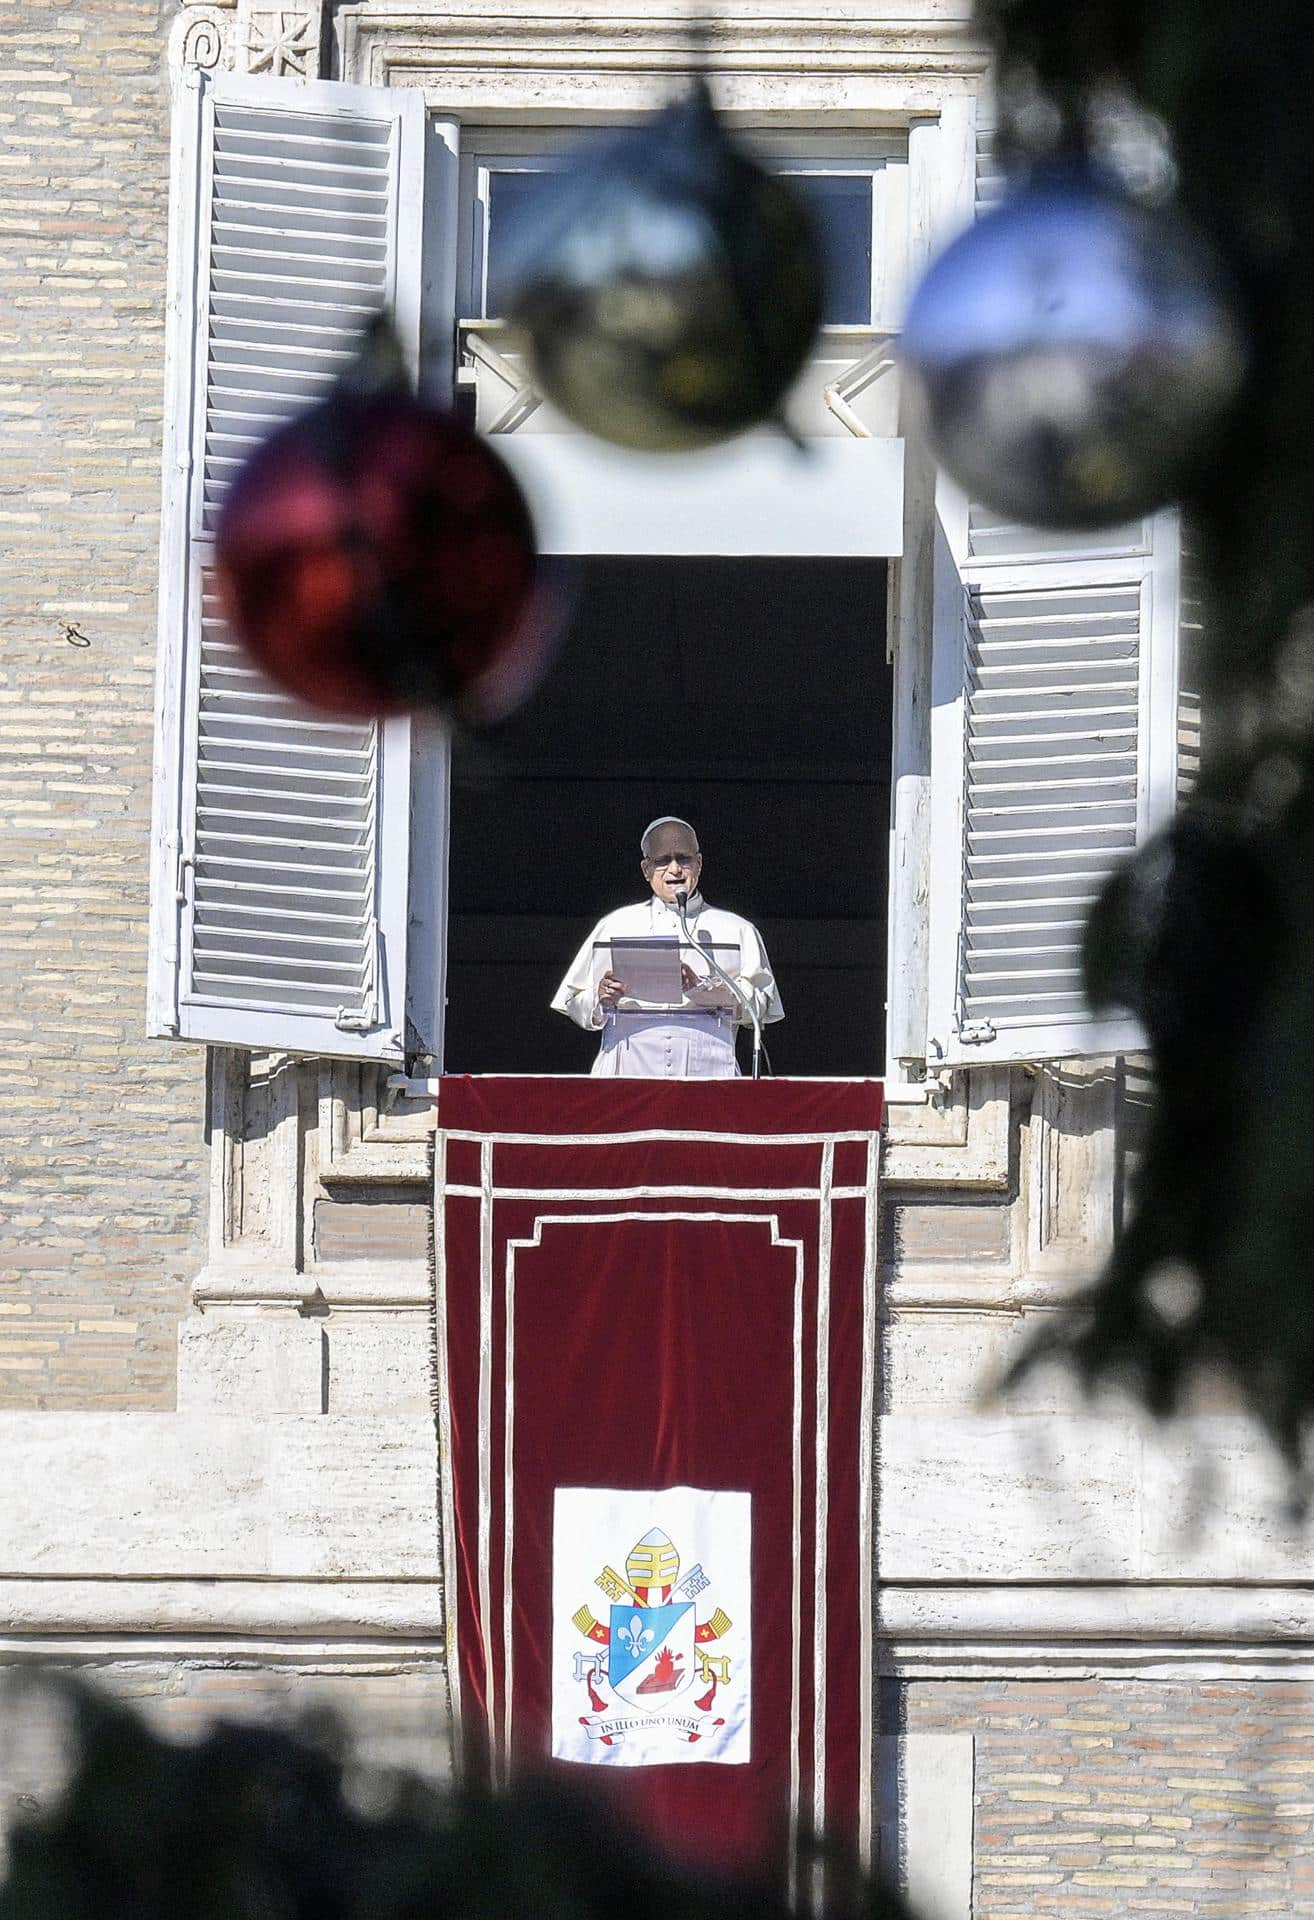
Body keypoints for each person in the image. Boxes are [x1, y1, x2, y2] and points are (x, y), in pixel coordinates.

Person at [551, 816, 783, 1077]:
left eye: (683, 858)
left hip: (708, 1071)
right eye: (662, 861)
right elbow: (573, 1001)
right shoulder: (616, 925)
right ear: (646, 870)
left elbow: (761, 1006)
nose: (675, 869)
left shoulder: (738, 930)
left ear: (699, 863)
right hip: (629, 1071)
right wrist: (600, 998)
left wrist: (708, 990)